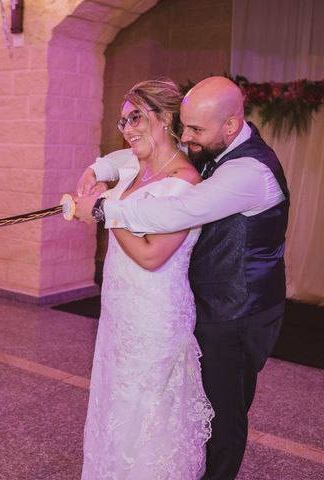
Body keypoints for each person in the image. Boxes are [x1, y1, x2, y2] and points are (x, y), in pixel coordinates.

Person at [76, 76, 289, 479]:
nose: (186, 135)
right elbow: (134, 159)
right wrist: (99, 167)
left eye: (194, 129)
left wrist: (105, 210)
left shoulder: (247, 171)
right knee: (182, 405)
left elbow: (177, 214)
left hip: (241, 308)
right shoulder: (212, 145)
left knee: (223, 414)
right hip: (202, 300)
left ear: (229, 125)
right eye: (184, 126)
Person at [75, 79, 214, 479]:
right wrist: (96, 172)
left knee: (148, 415)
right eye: (122, 121)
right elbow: (118, 159)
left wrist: (105, 211)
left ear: (167, 117)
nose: (128, 128)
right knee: (116, 407)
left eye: (136, 116)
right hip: (120, 313)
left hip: (155, 317)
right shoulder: (135, 168)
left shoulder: (185, 183)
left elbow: (152, 255)